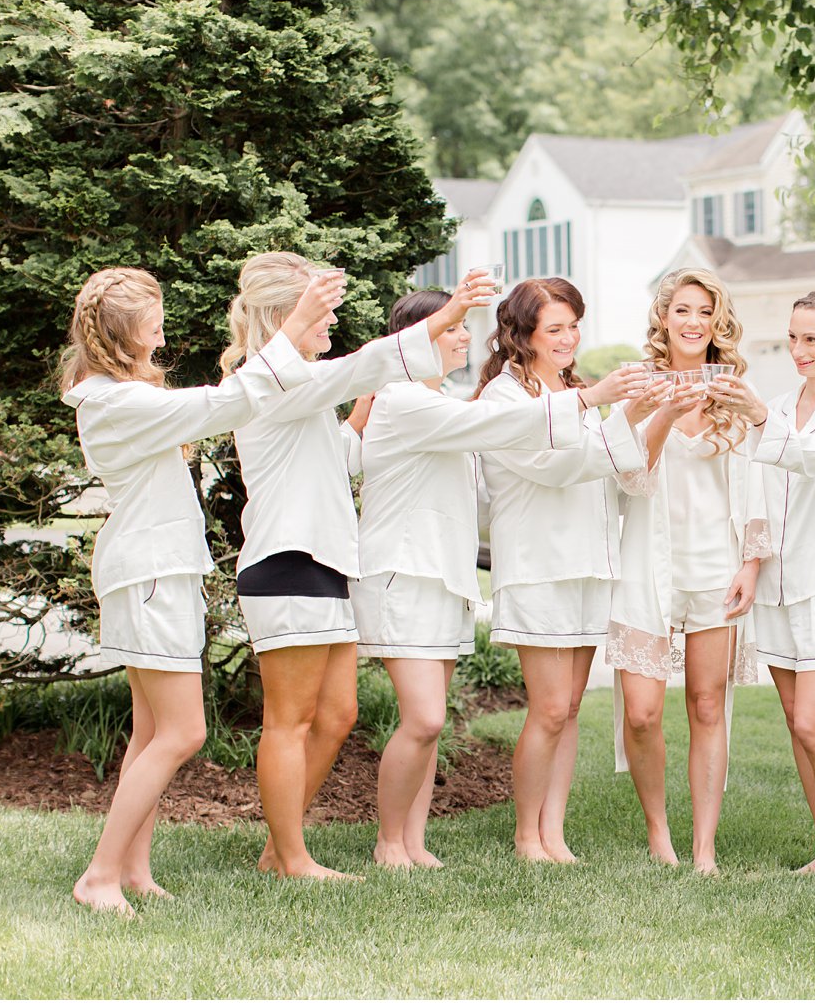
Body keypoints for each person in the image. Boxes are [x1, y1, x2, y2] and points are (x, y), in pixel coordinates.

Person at [62, 266, 340, 914]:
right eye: (151, 314)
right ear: (122, 329)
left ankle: (132, 870)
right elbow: (223, 404)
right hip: (152, 573)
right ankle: (99, 874)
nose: (162, 322)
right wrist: (293, 326)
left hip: (154, 571)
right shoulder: (118, 402)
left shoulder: (118, 395)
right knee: (182, 732)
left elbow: (217, 403)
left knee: (149, 732)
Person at [222, 253, 495, 880]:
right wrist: (448, 313)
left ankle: (277, 848)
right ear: (283, 316)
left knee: (339, 714)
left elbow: (339, 458)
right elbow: (363, 362)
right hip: (287, 562)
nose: (332, 323)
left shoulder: (302, 382)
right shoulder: (269, 377)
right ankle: (291, 858)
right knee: (287, 722)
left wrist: (357, 418)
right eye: (320, 312)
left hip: (326, 565)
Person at [354, 290, 632, 868]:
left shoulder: (444, 401)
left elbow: (479, 494)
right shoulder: (409, 402)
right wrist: (593, 400)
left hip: (449, 577)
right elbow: (499, 428)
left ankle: (414, 842)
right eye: (451, 329)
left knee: (431, 722)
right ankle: (390, 842)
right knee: (426, 717)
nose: (462, 338)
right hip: (406, 571)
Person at [475, 278, 651, 863]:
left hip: (588, 565)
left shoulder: (576, 389)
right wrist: (606, 405)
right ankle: (527, 836)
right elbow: (553, 468)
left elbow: (615, 468)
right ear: (521, 335)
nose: (569, 338)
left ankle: (555, 832)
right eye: (555, 328)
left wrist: (641, 411)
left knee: (571, 709)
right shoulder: (504, 399)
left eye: (574, 325)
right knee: (548, 708)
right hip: (539, 566)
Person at [709, 288, 815, 879]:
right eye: (793, 338)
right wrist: (751, 564)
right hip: (777, 582)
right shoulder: (780, 403)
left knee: (814, 722)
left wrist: (758, 418)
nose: (799, 350)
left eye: (812, 339)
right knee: (794, 722)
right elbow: (756, 486)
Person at [606, 268, 770, 873]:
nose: (694, 322)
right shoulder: (641, 389)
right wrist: (667, 415)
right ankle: (658, 831)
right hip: (650, 564)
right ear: (663, 318)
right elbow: (628, 476)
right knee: (644, 712)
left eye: (705, 311)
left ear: (717, 320)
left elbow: (761, 480)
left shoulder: (736, 391)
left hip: (716, 566)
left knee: (707, 704)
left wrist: (751, 564)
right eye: (682, 310)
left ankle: (704, 847)